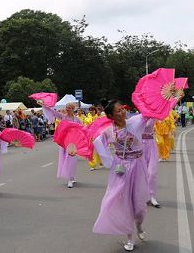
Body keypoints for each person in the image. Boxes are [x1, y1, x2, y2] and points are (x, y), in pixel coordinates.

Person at [93, 100, 151, 251]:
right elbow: (97, 143)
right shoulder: (108, 131)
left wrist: (172, 98)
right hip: (121, 169)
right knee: (124, 203)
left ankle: (139, 224)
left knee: (139, 204)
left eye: (122, 109)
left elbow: (152, 112)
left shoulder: (135, 121)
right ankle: (129, 237)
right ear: (111, 115)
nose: (123, 112)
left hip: (138, 166)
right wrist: (110, 162)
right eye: (118, 111)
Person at [43, 103, 82, 188]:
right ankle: (70, 176)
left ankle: (70, 179)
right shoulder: (63, 117)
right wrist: (45, 106)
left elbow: (82, 129)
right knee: (65, 159)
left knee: (71, 159)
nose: (67, 109)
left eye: (69, 108)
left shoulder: (77, 119)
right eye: (66, 107)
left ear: (72, 109)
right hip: (63, 141)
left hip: (73, 142)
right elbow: (53, 112)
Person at [141, 116, 160, 208]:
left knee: (152, 173)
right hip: (139, 146)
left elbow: (166, 106)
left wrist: (176, 100)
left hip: (151, 146)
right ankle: (142, 196)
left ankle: (152, 196)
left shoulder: (154, 116)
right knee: (141, 173)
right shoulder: (137, 118)